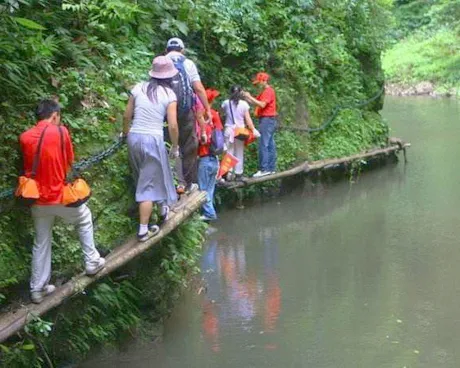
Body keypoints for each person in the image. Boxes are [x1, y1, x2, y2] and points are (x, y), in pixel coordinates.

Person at [19, 100, 105, 304]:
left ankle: (37, 289)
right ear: (55, 115)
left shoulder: (24, 138)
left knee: (41, 241)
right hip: (59, 195)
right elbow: (69, 160)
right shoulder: (61, 132)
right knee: (84, 217)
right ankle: (92, 261)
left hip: (37, 199)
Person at [123, 56, 179, 242]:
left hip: (134, 137)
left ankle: (163, 209)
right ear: (169, 76)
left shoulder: (138, 87)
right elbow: (172, 126)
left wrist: (125, 135)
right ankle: (143, 230)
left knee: (147, 176)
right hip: (152, 140)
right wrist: (175, 146)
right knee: (147, 185)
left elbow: (126, 115)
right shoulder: (169, 95)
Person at [165, 38, 211, 194]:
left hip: (164, 112)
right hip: (185, 112)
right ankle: (188, 183)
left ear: (167, 50)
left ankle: (170, 184)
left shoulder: (160, 62)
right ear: (182, 50)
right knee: (189, 146)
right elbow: (198, 88)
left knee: (168, 146)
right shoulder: (188, 63)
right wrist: (207, 109)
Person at [243, 72, 277, 177]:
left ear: (263, 81)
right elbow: (256, 102)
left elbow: (262, 104)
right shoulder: (265, 92)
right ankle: (271, 168)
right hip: (269, 120)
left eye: (259, 83)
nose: (257, 85)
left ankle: (264, 169)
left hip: (267, 119)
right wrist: (247, 97)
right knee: (270, 144)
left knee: (264, 143)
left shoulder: (268, 91)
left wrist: (249, 96)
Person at [197, 88, 223, 221]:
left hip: (205, 158)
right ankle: (209, 213)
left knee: (202, 189)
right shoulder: (215, 115)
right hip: (215, 159)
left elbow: (201, 140)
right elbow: (219, 135)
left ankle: (209, 214)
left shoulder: (201, 118)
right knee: (210, 189)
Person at [222, 86, 258, 180]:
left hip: (228, 130)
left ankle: (227, 174)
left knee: (229, 153)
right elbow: (248, 119)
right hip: (240, 131)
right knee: (239, 152)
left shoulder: (226, 103)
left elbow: (223, 113)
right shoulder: (244, 104)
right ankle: (238, 174)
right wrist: (253, 129)